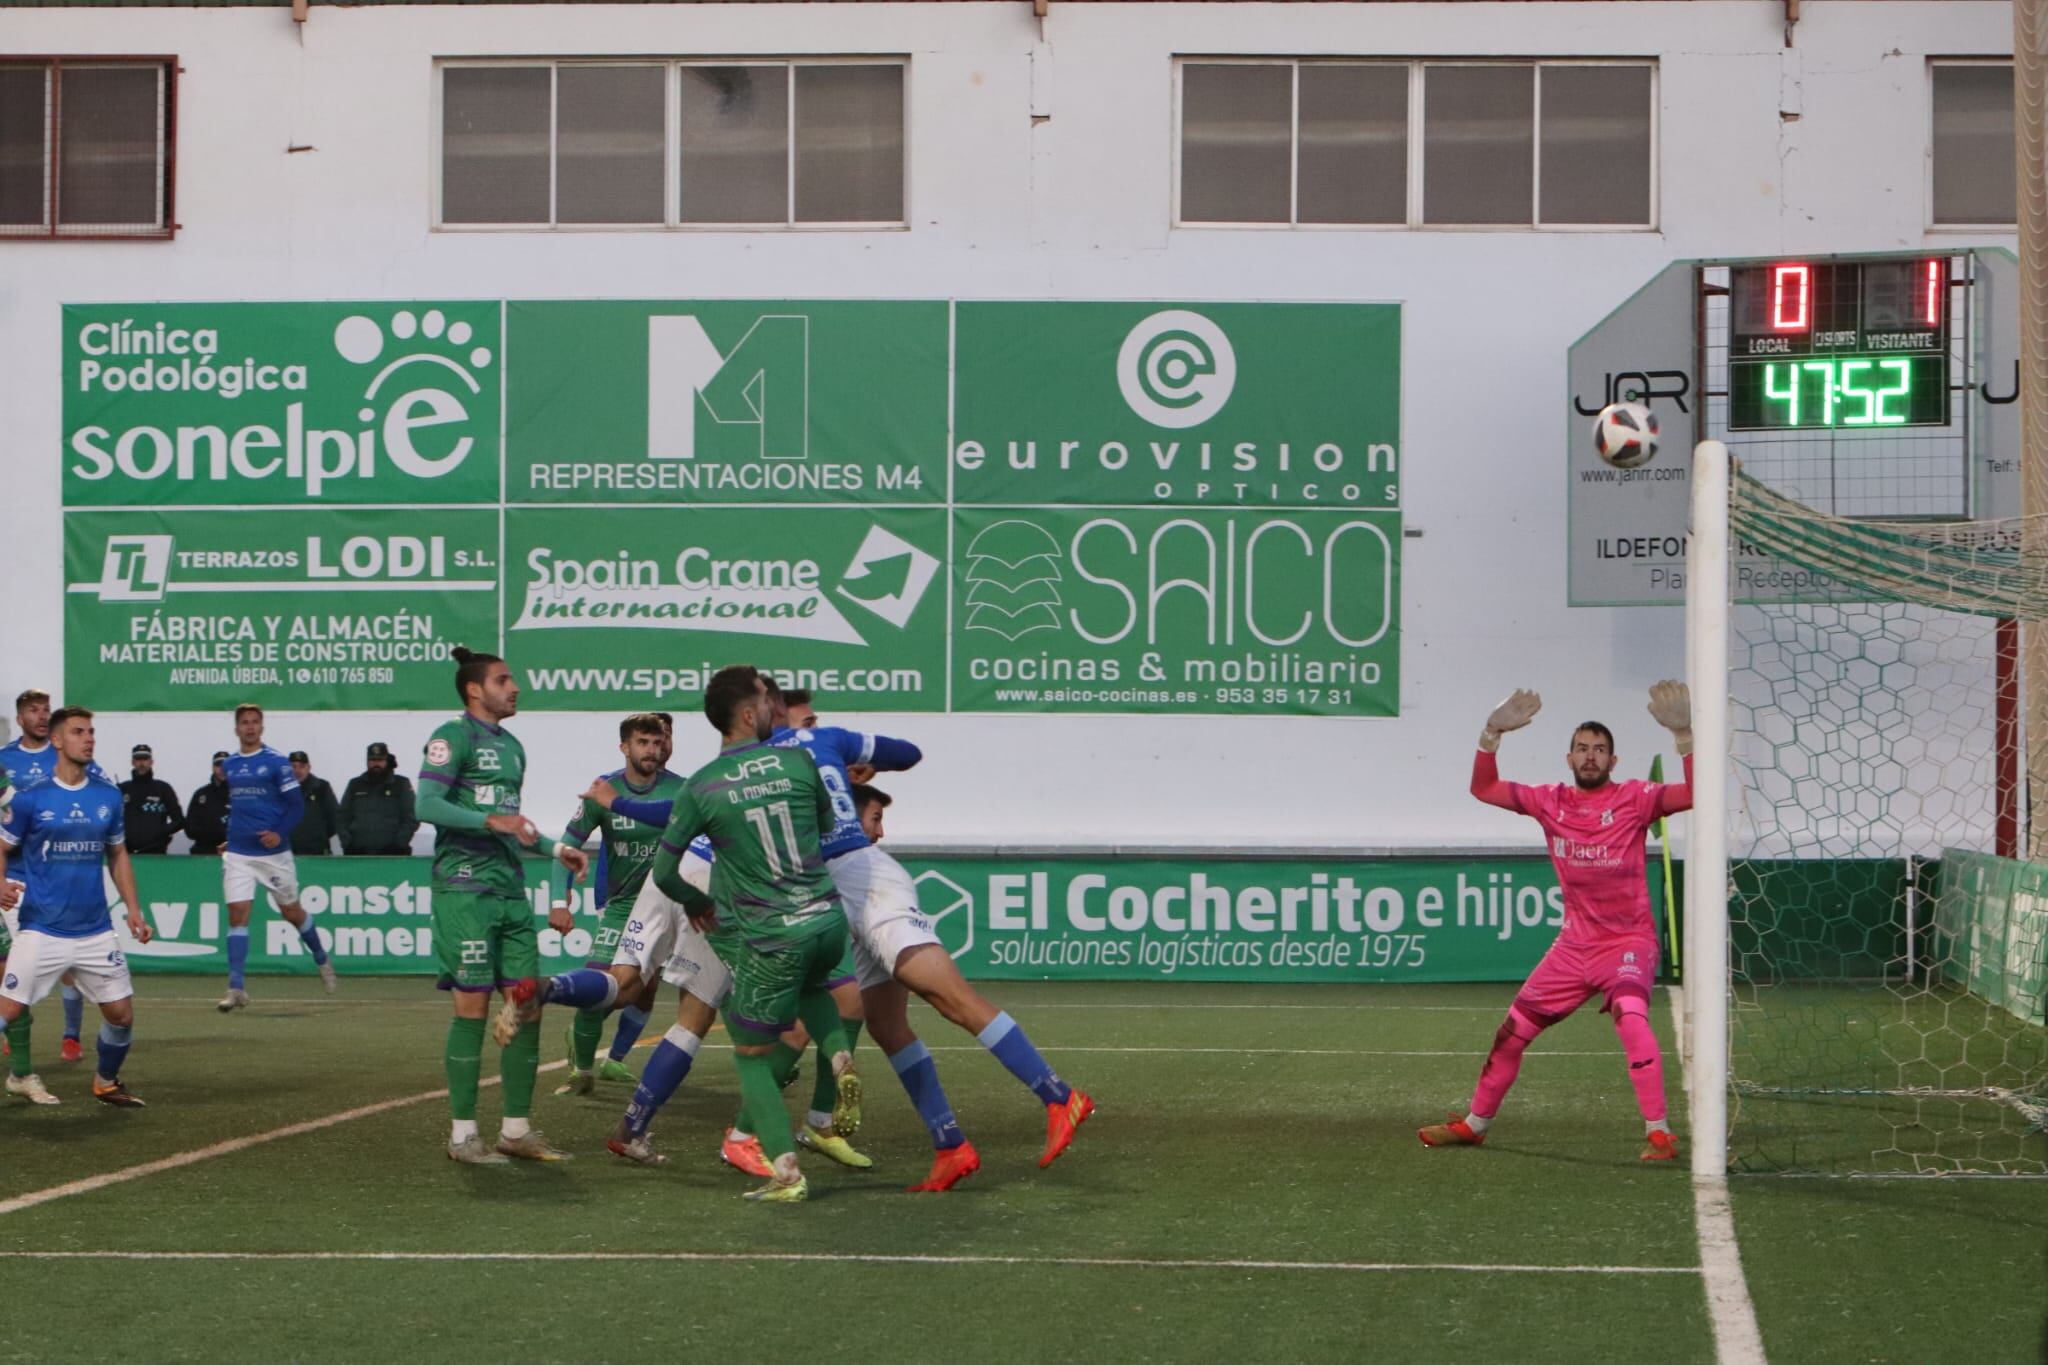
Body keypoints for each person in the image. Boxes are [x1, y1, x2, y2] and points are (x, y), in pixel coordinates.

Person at [1419, 682, 1695, 1161]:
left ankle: (1659, 1133)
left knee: (1632, 1017)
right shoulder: (1550, 802)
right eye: (1582, 749)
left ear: (1614, 761)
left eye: (1600, 750)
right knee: (1511, 1034)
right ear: (1568, 759)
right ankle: (1474, 1124)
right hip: (1573, 948)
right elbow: (1482, 788)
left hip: (1628, 942)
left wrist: (1685, 736)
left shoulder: (1636, 798)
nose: (1591, 756)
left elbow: (1697, 792)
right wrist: (1490, 735)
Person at [418, 646, 588, 1164]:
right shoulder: (452, 737)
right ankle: (463, 1136)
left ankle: (516, 1130)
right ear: (475, 689)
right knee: (473, 1006)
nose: (514, 687)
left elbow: (514, 821)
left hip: (510, 891)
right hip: (465, 890)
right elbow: (425, 804)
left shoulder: (513, 747)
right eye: (503, 679)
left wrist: (556, 849)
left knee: (528, 1002)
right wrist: (491, 822)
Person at [0, 706, 154, 1108]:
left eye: (91, 732)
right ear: (56, 740)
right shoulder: (32, 799)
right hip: (42, 928)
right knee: (9, 1010)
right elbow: (1, 846)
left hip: (95, 929)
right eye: (78, 732)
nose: (88, 738)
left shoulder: (106, 795)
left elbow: (118, 854)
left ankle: (106, 1082)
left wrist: (134, 909)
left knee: (121, 1014)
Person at [547, 714, 684, 1095]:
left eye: (657, 743)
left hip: (667, 905)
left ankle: (616, 1060)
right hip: (621, 903)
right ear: (624, 747)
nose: (652, 750)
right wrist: (560, 900)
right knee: (603, 980)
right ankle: (583, 1069)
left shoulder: (682, 790)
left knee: (646, 986)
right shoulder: (602, 791)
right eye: (643, 742)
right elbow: (565, 848)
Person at [0, 689, 109, 1066]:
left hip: (58, 877)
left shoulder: (66, 754)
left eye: (46, 710)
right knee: (13, 968)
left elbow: (97, 795)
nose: (42, 716)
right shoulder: (4, 760)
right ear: (20, 718)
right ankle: (17, 1050)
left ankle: (71, 1036)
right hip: (15, 878)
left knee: (69, 964)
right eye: (34, 710)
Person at [217, 705, 336, 1010]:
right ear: (236, 728)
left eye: (255, 722)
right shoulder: (230, 765)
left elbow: (296, 806)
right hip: (239, 854)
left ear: (262, 727)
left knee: (291, 913)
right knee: (237, 916)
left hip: (273, 855)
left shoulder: (276, 763)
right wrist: (229, 841)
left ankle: (321, 957)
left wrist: (279, 833)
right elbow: (241, 808)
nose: (250, 727)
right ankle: (236, 987)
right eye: (244, 723)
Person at [338, 742, 419, 856]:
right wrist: (348, 843)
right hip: (358, 854)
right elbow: (342, 817)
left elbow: (412, 817)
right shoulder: (355, 785)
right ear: (367, 762)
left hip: (393, 855)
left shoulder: (401, 784)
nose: (376, 764)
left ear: (386, 761)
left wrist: (399, 844)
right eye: (372, 760)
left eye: (380, 760)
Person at [119, 744, 185, 855]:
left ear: (151, 762)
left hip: (156, 853)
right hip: (126, 854)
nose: (141, 763)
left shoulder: (163, 789)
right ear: (132, 762)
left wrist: (161, 832)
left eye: (145, 759)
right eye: (138, 759)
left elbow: (179, 820)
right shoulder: (122, 789)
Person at [289, 752, 341, 856]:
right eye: (293, 767)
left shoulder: (322, 788)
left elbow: (335, 817)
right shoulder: (281, 790)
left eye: (301, 766)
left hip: (317, 853)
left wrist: (319, 835)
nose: (297, 771)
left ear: (308, 767)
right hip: (287, 854)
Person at [185, 753, 231, 855]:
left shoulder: (241, 794)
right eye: (218, 765)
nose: (222, 769)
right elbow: (190, 828)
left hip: (235, 854)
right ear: (213, 767)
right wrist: (214, 834)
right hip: (204, 853)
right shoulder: (201, 795)